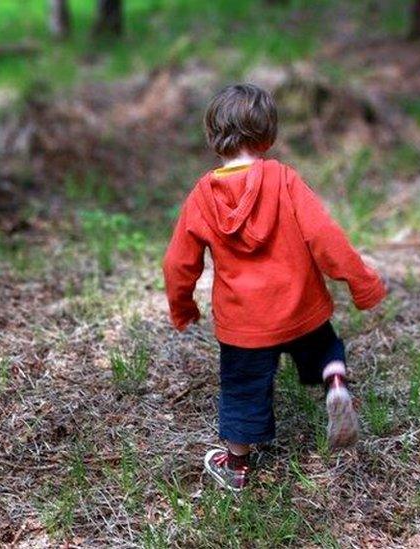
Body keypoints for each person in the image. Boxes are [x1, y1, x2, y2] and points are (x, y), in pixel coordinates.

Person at [162, 83, 387, 492]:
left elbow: (178, 262)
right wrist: (362, 283)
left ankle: (236, 466)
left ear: (214, 138)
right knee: (323, 348)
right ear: (268, 135)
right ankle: (334, 380)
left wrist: (182, 306)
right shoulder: (284, 179)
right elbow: (326, 236)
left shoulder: (202, 197)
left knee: (244, 389)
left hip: (245, 324)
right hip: (300, 307)